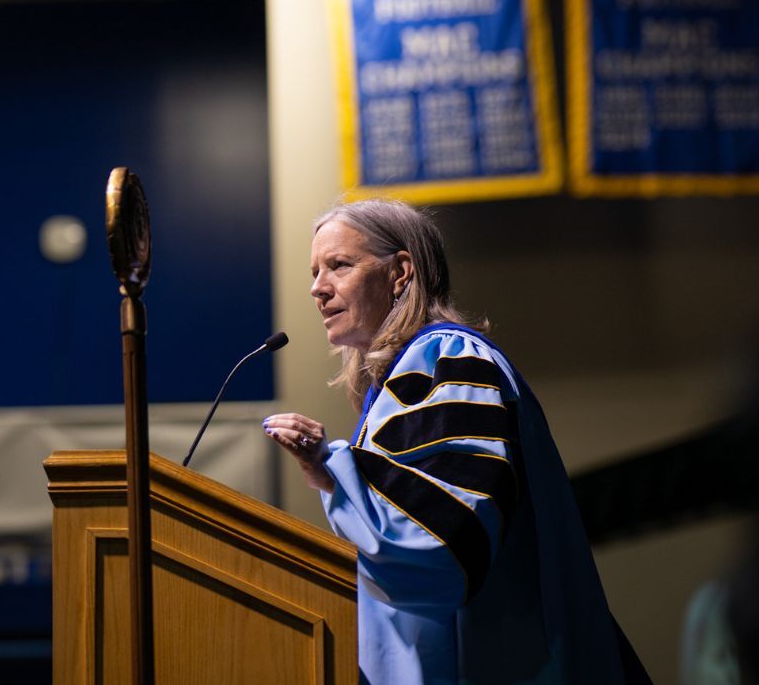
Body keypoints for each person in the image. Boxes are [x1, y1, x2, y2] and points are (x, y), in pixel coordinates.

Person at [264, 198, 648, 684]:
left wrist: (335, 465)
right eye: (315, 271)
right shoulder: (411, 373)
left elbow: (439, 542)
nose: (318, 288)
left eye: (339, 265)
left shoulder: (445, 357)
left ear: (401, 271)